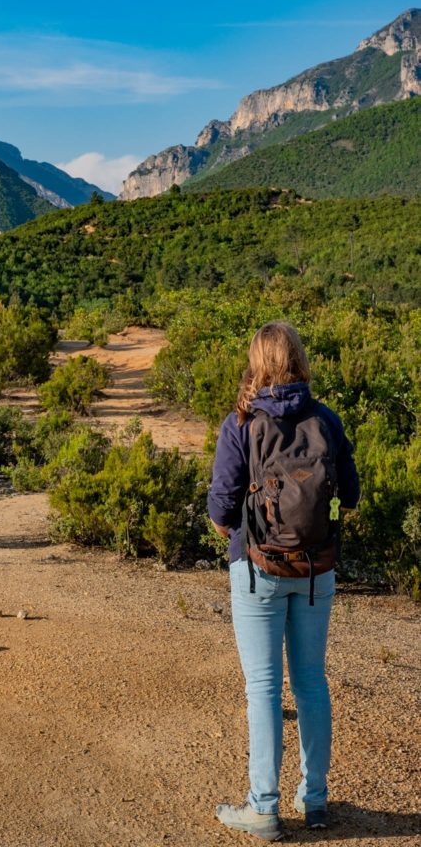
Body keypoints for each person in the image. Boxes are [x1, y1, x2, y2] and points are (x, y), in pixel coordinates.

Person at [207, 321, 359, 842]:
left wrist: (241, 535)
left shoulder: (240, 424)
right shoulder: (327, 421)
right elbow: (352, 494)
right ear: (298, 359)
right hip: (317, 570)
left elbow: (222, 503)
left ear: (257, 363)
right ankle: (314, 800)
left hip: (257, 570)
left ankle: (263, 807)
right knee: (312, 682)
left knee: (264, 688)